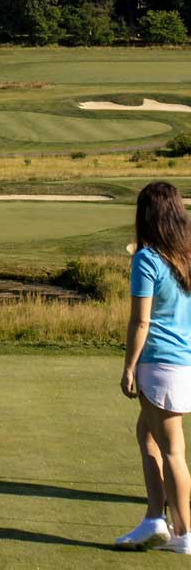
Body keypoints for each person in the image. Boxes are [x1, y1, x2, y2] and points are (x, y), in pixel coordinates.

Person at [117, 180, 191, 553]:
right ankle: (153, 520)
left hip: (158, 362)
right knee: (147, 435)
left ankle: (183, 534)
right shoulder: (186, 256)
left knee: (173, 450)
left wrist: (129, 366)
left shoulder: (147, 259)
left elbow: (140, 321)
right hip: (183, 363)